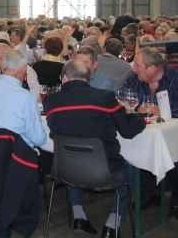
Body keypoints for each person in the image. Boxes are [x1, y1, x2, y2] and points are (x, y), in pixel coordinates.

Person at [44, 59, 145, 237]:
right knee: (133, 168)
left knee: (76, 158)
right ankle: (112, 224)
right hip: (107, 172)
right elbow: (128, 131)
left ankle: (79, 216)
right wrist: (137, 114)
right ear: (88, 78)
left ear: (65, 78)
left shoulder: (50, 101)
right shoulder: (104, 97)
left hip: (65, 170)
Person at [121, 47, 178, 217]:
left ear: (151, 68)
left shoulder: (174, 80)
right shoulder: (134, 78)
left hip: (172, 133)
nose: (133, 69)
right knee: (137, 150)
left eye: (137, 65)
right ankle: (149, 193)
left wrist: (162, 109)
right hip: (144, 131)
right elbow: (124, 98)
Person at [0, 48, 46, 149]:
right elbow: (38, 139)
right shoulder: (26, 97)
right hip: (16, 157)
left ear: (2, 67)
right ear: (23, 70)